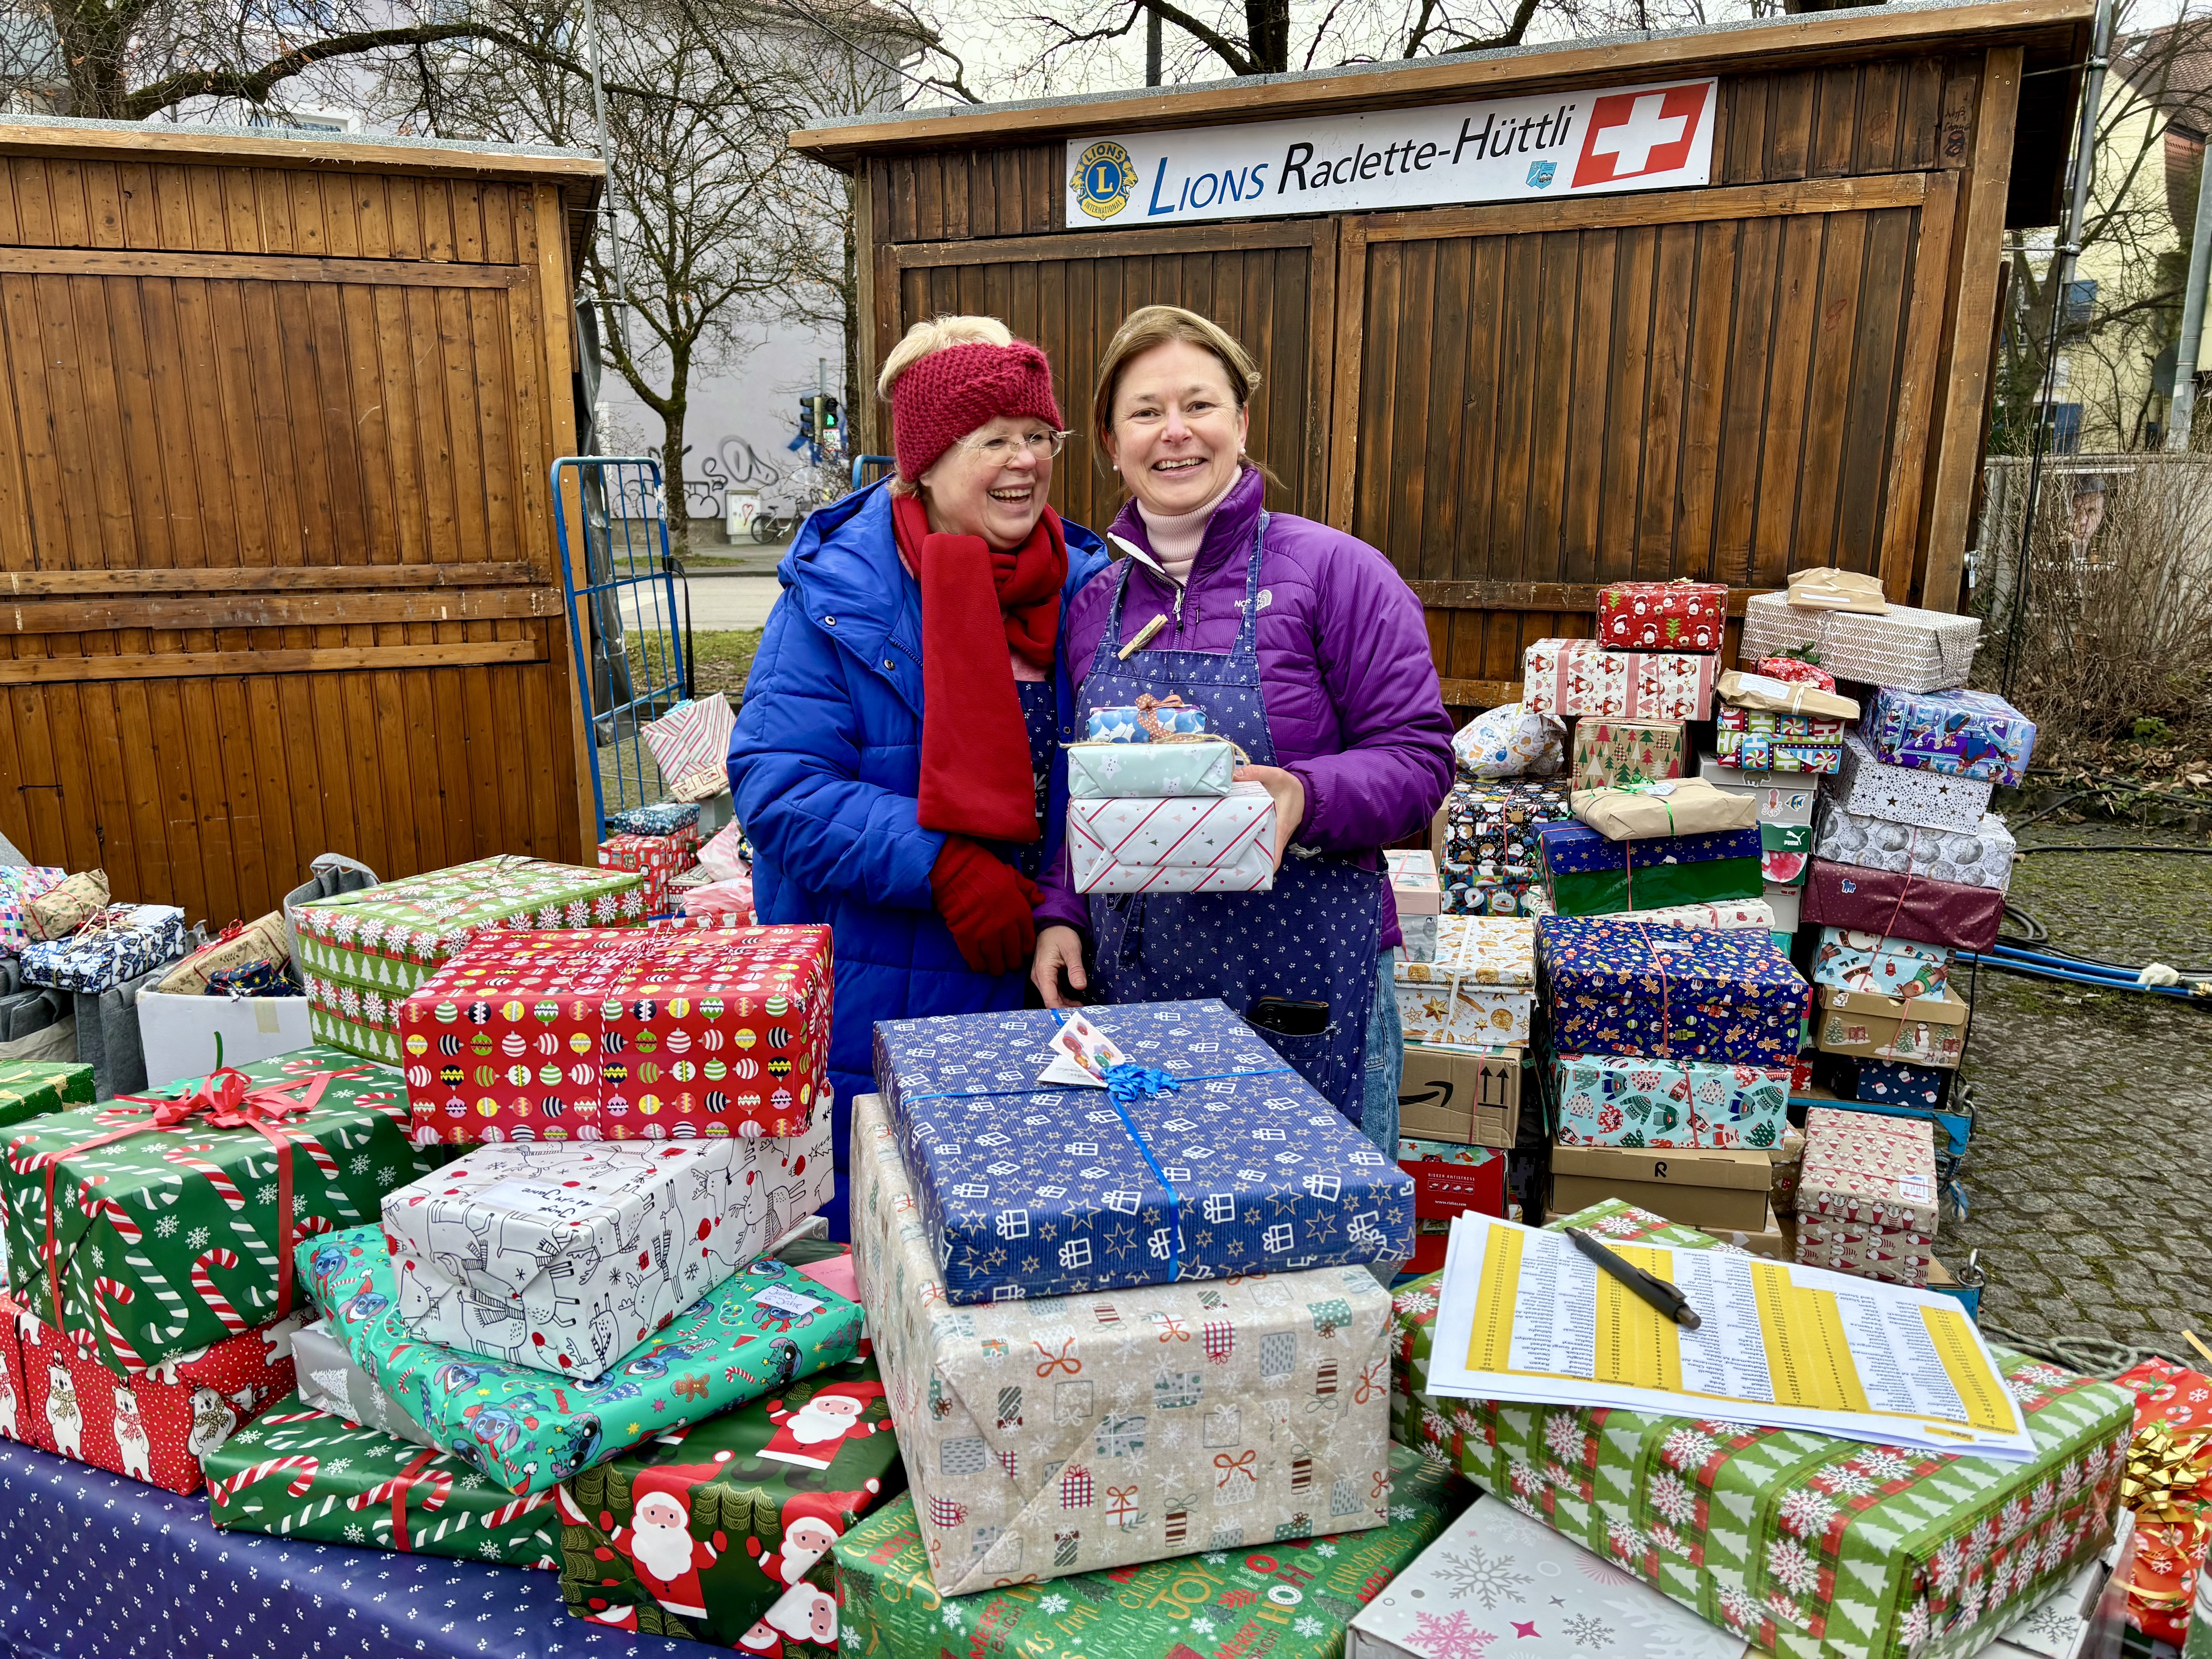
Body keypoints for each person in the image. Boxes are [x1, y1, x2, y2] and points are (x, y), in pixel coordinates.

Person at [1030, 304, 1452, 1154]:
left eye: (1200, 405)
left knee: (1320, 1253)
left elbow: (1419, 758)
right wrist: (1062, 913)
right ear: (1113, 443)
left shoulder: (1338, 572)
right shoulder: (1093, 609)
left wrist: (1307, 792)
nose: (1175, 433)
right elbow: (1088, 791)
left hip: (1303, 984)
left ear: (1242, 423)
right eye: (1146, 412)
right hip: (1137, 989)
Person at [729, 316, 1108, 1237]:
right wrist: (942, 864)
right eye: (993, 441)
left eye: (1037, 437)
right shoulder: (839, 593)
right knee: (902, 1257)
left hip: (1058, 979)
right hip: (890, 994)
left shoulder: (1091, 584)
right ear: (926, 465)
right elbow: (778, 787)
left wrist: (1060, 900)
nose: (1024, 460)